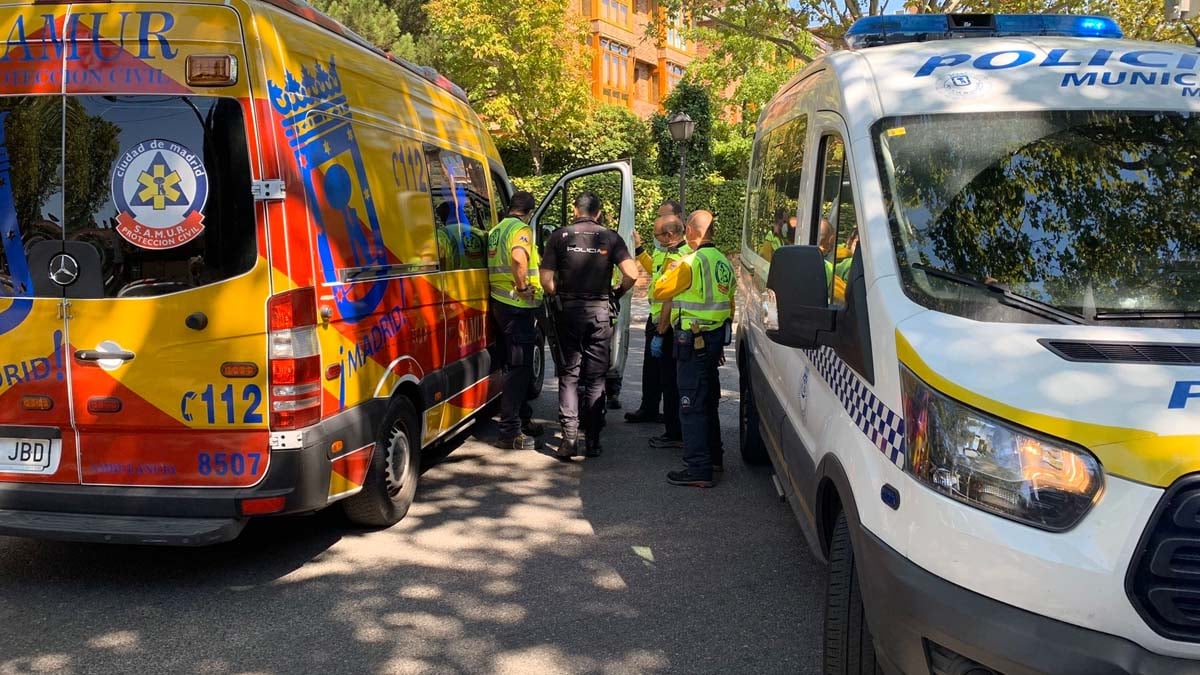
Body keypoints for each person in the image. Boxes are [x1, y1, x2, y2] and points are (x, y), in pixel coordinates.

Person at [540, 192, 640, 459]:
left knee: (569, 377)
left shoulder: (559, 237)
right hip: (599, 314)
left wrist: (556, 294)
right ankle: (593, 440)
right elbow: (632, 273)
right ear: (598, 213)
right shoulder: (610, 238)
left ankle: (569, 440)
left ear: (575, 210)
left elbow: (546, 279)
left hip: (568, 313)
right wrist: (616, 293)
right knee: (596, 379)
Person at [653, 210, 735, 488]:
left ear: (690, 231)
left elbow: (659, 291)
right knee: (708, 398)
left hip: (692, 340)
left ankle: (698, 468)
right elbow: (730, 305)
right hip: (713, 340)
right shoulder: (724, 263)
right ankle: (714, 458)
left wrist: (670, 270)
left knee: (690, 403)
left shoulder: (689, 263)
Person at [628, 215, 690, 451]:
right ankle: (673, 429)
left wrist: (661, 331)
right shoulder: (666, 253)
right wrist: (640, 247)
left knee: (671, 382)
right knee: (667, 379)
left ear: (670, 235)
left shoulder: (680, 257)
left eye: (656, 235)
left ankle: (674, 432)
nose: (656, 239)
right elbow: (654, 270)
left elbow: (670, 298)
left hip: (669, 326)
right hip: (660, 322)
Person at [487, 191, 544, 450]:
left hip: (500, 305)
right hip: (517, 305)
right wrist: (522, 287)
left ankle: (522, 417)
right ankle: (510, 432)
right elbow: (519, 257)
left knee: (511, 364)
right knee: (518, 370)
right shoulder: (521, 230)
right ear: (529, 212)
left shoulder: (496, 230)